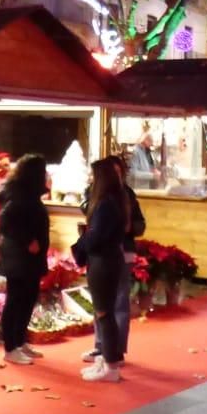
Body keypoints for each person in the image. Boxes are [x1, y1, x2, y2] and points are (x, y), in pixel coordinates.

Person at [82, 155, 146, 365]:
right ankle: (101, 346)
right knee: (101, 303)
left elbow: (139, 224)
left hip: (119, 252)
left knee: (117, 302)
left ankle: (115, 350)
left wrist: (129, 228)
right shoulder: (97, 195)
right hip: (103, 255)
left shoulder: (124, 195)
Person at [0, 154, 50, 366]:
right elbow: (5, 221)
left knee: (28, 299)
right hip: (19, 258)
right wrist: (27, 240)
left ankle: (19, 341)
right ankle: (11, 347)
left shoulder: (28, 195)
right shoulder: (19, 196)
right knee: (16, 300)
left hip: (28, 259)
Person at [79, 158, 130, 383]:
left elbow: (96, 236)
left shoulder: (105, 204)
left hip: (103, 261)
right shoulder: (116, 200)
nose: (90, 180)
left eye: (93, 176)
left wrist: (81, 243)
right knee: (105, 312)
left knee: (104, 313)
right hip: (109, 259)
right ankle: (109, 359)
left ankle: (110, 365)